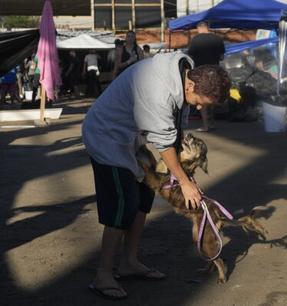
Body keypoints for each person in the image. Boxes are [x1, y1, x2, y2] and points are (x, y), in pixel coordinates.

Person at [82, 51, 231, 300]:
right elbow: (163, 142)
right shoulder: (159, 90)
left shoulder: (186, 70)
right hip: (106, 135)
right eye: (200, 101)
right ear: (191, 84)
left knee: (143, 197)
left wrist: (186, 174)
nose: (198, 107)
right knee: (122, 205)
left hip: (130, 136)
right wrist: (182, 181)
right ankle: (103, 275)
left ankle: (129, 262)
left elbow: (176, 125)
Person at [188, 21, 225, 132]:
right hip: (214, 70)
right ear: (207, 27)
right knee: (213, 95)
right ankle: (212, 123)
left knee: (201, 96)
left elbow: (190, 56)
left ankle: (205, 125)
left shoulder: (195, 40)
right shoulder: (217, 39)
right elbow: (222, 57)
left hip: (201, 71)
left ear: (198, 28)